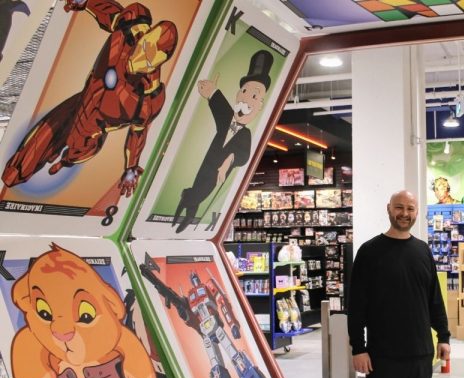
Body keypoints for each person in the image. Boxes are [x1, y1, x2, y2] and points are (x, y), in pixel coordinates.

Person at [2, 0, 178, 197]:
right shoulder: (130, 27)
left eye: (149, 60)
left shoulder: (148, 97)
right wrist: (85, 2)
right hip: (78, 105)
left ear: (159, 62)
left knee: (71, 155)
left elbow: (137, 135)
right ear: (145, 36)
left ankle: (63, 161)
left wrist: (131, 167)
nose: (140, 58)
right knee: (17, 169)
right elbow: (108, 12)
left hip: (90, 135)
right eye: (145, 46)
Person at [348, 190, 451, 378]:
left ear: (417, 212)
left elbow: (434, 299)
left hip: (421, 355)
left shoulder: (423, 251)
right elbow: (357, 305)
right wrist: (358, 348)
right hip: (383, 358)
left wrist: (444, 336)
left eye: (410, 208)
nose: (404, 213)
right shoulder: (369, 252)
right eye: (399, 207)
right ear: (389, 208)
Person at [172, 50, 273, 233]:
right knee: (198, 185)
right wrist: (212, 91)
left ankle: (186, 204)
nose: (246, 99)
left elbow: (244, 155)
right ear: (237, 94)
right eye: (244, 91)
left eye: (254, 96)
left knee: (204, 191)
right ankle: (187, 209)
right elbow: (219, 104)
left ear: (260, 105)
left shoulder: (247, 134)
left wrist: (230, 159)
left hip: (219, 170)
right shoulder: (228, 119)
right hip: (208, 162)